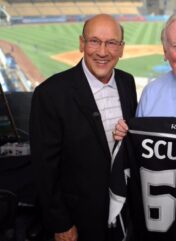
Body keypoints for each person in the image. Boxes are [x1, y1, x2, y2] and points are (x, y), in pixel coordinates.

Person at [29, 14, 137, 241]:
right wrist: (61, 223)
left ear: (121, 49)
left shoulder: (127, 83)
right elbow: (44, 169)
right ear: (81, 43)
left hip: (122, 214)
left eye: (111, 43)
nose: (102, 52)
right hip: (78, 220)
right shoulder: (51, 94)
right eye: (94, 41)